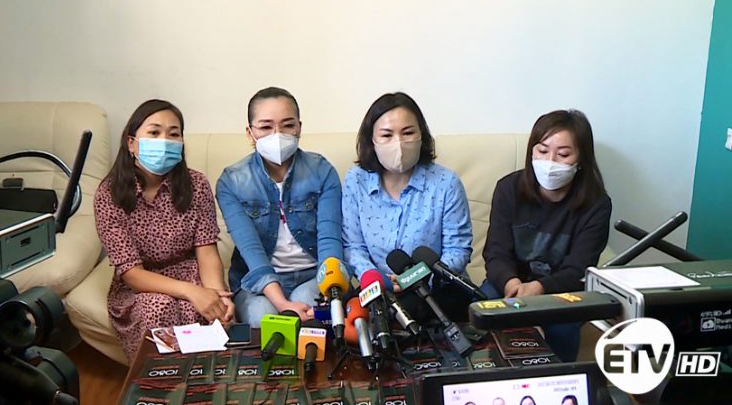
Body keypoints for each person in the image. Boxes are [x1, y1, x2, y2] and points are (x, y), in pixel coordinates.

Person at [95, 99, 234, 361]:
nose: (164, 141)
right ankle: (160, 379)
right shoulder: (109, 194)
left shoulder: (196, 184)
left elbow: (206, 251)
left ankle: (200, 379)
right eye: (154, 132)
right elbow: (132, 274)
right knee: (158, 307)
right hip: (142, 285)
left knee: (205, 312)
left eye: (173, 134)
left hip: (190, 273)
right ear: (131, 143)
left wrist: (217, 296)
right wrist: (192, 291)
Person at [483, 109, 611, 362]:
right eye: (542, 151)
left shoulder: (596, 204)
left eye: (563, 154)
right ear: (531, 152)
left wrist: (539, 289)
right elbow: (496, 253)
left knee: (562, 327)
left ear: (581, 159)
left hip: (562, 291)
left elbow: (578, 269)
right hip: (510, 284)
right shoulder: (508, 189)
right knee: (481, 310)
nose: (550, 161)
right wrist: (513, 287)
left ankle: (558, 379)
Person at [216, 87, 342, 325]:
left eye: (287, 125)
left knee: (310, 315)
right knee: (264, 319)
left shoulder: (322, 171)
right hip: (257, 283)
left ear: (299, 128)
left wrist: (331, 291)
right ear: (250, 133)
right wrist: (283, 304)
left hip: (314, 276)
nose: (277, 134)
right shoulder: (231, 181)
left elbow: (330, 239)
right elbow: (251, 251)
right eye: (266, 127)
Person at [342, 92, 473, 319]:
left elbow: (458, 250)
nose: (399, 144)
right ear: (372, 140)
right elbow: (353, 246)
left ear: (422, 135)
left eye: (408, 133)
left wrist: (412, 279)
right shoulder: (356, 180)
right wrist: (373, 278)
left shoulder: (446, 183)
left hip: (435, 290)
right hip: (378, 289)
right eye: (387, 135)